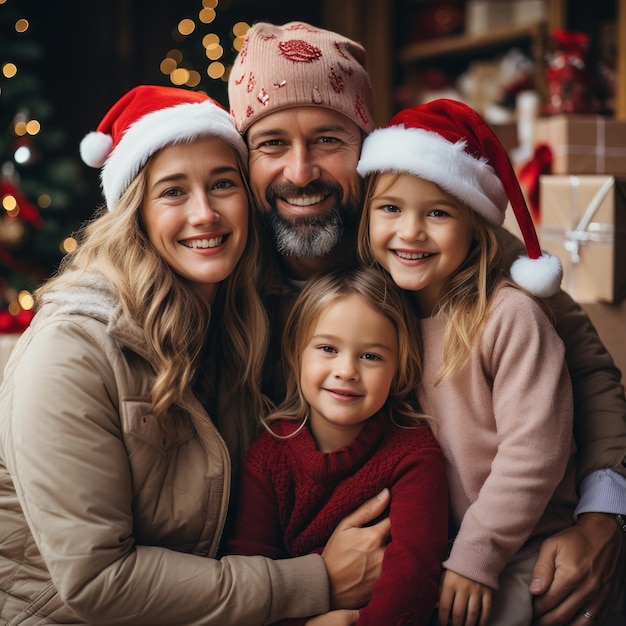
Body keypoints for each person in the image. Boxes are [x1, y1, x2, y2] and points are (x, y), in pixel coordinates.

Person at [227, 20, 626, 625]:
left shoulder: (444, 249)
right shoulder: (225, 262)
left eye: (329, 139)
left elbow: (589, 378)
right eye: (272, 143)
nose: (301, 171)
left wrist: (602, 520)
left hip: (481, 544)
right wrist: (307, 585)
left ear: (366, 147)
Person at [0, 85, 391, 625]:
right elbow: (98, 582)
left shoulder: (237, 317)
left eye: (222, 184)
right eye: (173, 192)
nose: (204, 213)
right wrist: (314, 583)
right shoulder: (72, 351)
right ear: (135, 211)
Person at [356, 98, 581, 625]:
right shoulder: (385, 315)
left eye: (437, 212)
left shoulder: (509, 317)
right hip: (435, 542)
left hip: (522, 544)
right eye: (391, 208)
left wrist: (479, 555)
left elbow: (536, 452)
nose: (410, 231)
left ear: (476, 226)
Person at [227, 265, 449, 625]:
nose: (347, 370)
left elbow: (414, 576)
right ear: (296, 352)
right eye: (328, 348)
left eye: (371, 356)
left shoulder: (414, 455)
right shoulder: (268, 457)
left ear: (399, 368)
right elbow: (251, 572)